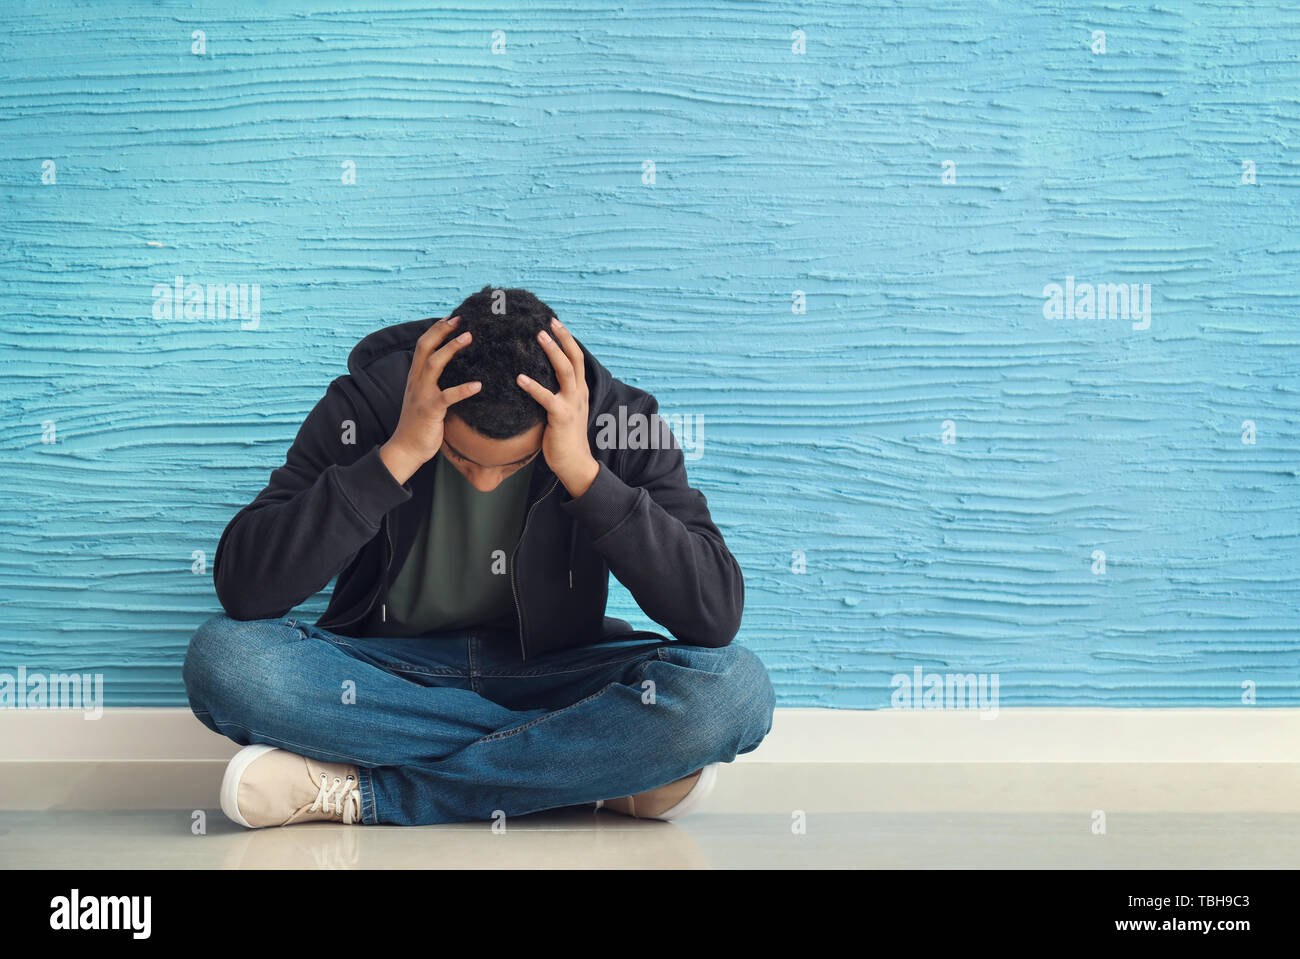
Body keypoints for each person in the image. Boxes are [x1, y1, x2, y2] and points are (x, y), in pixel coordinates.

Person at [183, 285, 775, 827]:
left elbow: (714, 613)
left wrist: (585, 475)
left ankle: (373, 795)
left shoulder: (619, 422)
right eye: (462, 459)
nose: (486, 483)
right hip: (386, 675)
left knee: (733, 689)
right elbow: (246, 588)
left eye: (513, 464)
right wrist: (398, 453)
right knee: (227, 662)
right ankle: (583, 774)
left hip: (553, 672)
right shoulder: (368, 407)